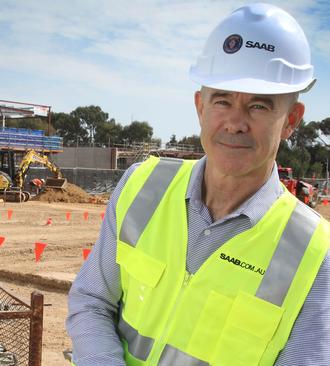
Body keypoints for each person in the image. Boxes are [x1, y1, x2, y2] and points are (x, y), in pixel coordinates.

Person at [66, 4, 330, 366]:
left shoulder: (313, 255)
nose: (235, 122)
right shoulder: (142, 186)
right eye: (222, 100)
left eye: (259, 106)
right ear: (200, 107)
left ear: (291, 121)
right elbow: (91, 301)